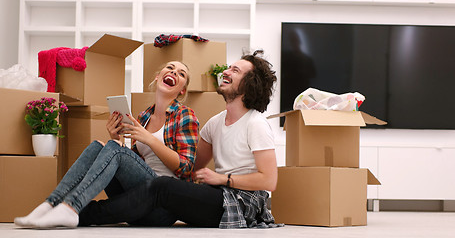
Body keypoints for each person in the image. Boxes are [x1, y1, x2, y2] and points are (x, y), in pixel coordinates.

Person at [76, 50, 282, 229]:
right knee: (160, 186)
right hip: (218, 193)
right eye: (229, 68)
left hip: (242, 202)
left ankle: (82, 213)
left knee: (163, 186)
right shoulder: (214, 123)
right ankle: (72, 206)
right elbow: (189, 168)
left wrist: (224, 179)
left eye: (235, 71)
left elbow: (269, 180)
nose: (226, 72)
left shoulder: (255, 123)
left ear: (249, 84)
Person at [14, 61, 199, 228]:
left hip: (163, 206)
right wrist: (116, 138)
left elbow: (185, 167)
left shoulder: (185, 115)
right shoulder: (144, 117)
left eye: (181, 74)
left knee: (114, 149)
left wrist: (148, 138)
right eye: (170, 68)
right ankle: (51, 204)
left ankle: (71, 207)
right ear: (158, 77)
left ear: (182, 90)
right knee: (99, 145)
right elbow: (135, 162)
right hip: (137, 199)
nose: (174, 72)